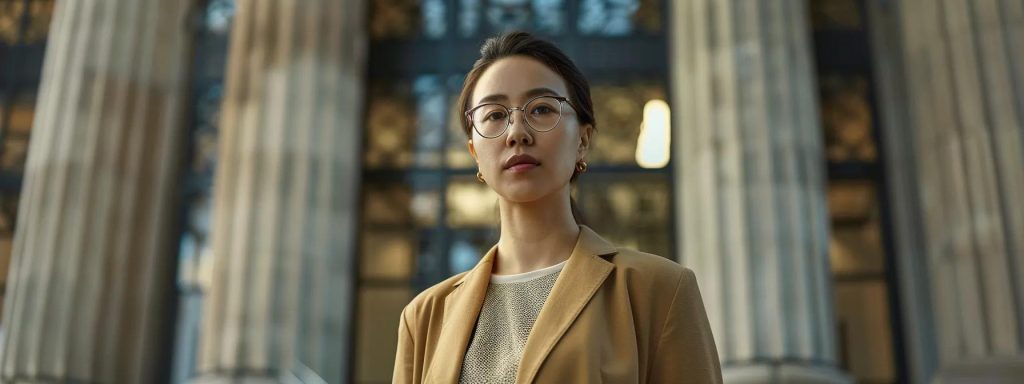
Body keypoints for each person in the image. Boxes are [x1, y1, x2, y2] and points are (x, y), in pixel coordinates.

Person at [393, 31, 722, 384]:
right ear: (474, 152)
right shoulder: (424, 318)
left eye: (541, 109)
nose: (517, 133)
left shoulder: (658, 290)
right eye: (495, 115)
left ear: (583, 140)